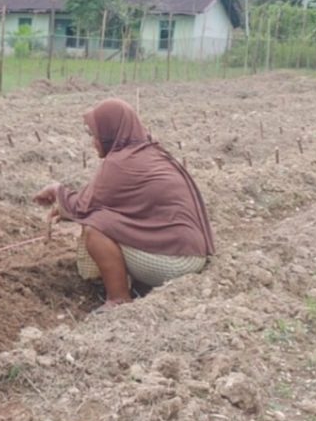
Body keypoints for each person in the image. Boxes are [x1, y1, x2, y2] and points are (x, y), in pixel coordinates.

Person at [34, 98, 214, 311]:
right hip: (191, 255)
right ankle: (133, 285)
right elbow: (105, 202)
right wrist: (65, 203)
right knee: (103, 217)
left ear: (110, 132)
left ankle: (118, 299)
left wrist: (57, 191)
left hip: (175, 265)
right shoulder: (149, 153)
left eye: (95, 135)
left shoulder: (121, 162)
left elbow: (85, 208)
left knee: (96, 227)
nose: (93, 142)